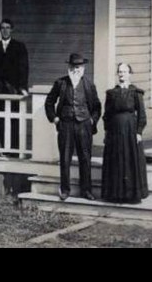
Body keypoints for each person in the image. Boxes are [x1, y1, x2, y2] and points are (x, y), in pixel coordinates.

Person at [44, 53, 102, 201]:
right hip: (66, 125)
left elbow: (97, 107)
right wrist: (55, 119)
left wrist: (91, 121)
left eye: (79, 67)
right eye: (73, 67)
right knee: (65, 158)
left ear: (83, 68)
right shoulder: (61, 83)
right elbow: (49, 102)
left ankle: (86, 191)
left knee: (85, 158)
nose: (76, 70)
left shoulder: (89, 85)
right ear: (69, 68)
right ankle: (65, 190)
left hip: (84, 125)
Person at [100, 63, 149, 204]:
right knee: (115, 161)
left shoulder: (136, 93)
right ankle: (115, 195)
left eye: (125, 71)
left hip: (130, 132)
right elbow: (106, 115)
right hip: (114, 133)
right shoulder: (111, 93)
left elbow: (142, 115)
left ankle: (131, 195)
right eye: (120, 72)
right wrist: (107, 132)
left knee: (129, 160)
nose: (122, 74)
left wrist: (138, 132)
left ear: (130, 74)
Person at [0, 19, 29, 153]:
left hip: (14, 89)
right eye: (3, 28)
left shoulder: (19, 47)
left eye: (8, 27)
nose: (5, 30)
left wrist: (22, 87)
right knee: (1, 118)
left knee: (14, 118)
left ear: (12, 29)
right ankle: (3, 147)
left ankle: (14, 149)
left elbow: (24, 68)